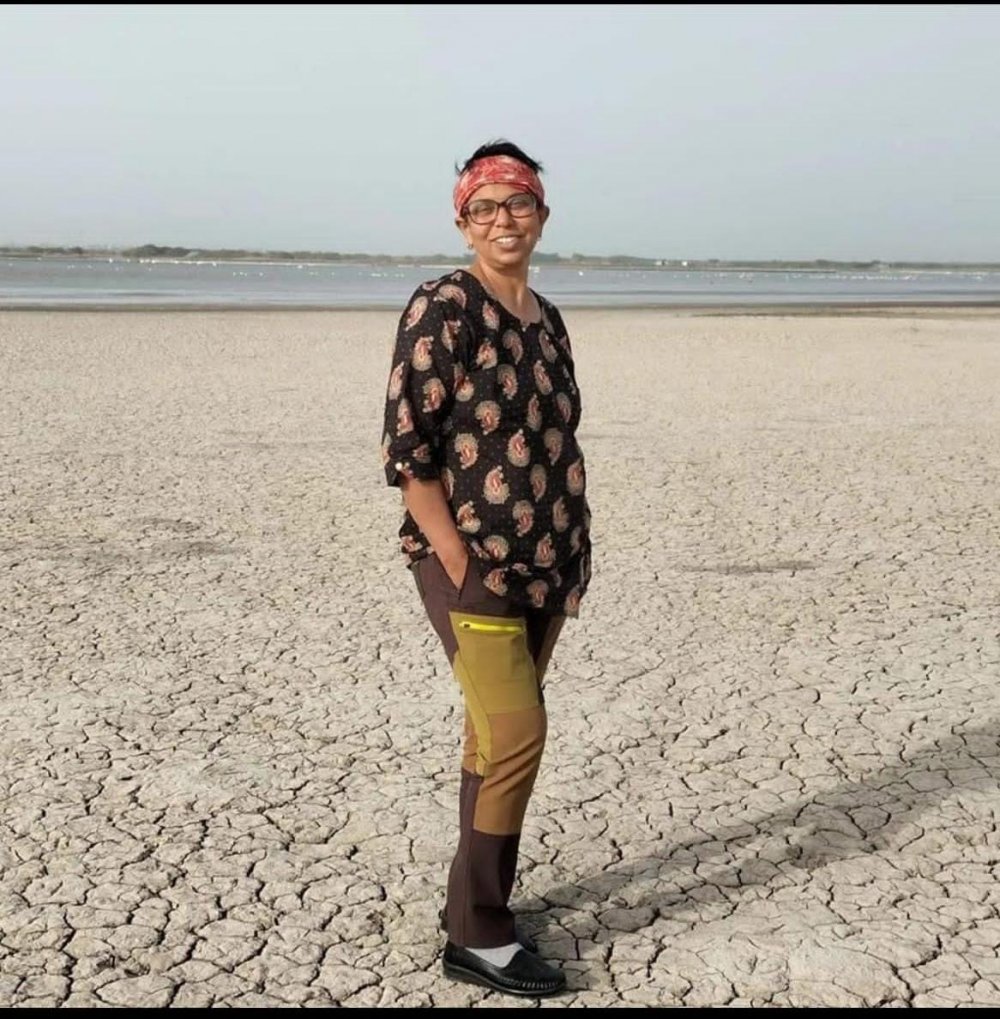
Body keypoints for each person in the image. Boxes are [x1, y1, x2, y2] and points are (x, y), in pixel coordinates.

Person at [380, 139, 592, 998]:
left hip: (549, 563)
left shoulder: (547, 317)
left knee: (490, 739)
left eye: (520, 203)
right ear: (463, 222)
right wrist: (458, 558)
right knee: (516, 736)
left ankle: (468, 908)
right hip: (473, 567)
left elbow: (556, 437)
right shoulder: (443, 306)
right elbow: (409, 452)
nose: (505, 219)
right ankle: (480, 935)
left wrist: (571, 556)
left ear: (542, 214)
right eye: (486, 207)